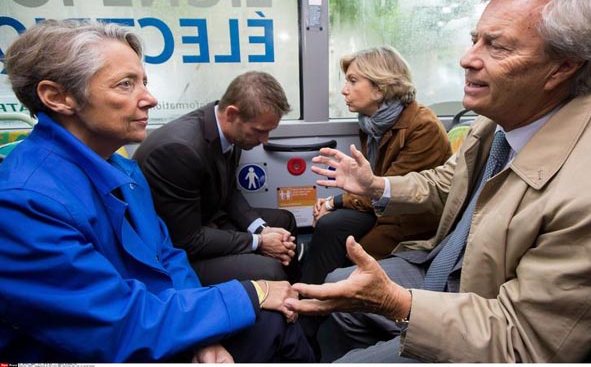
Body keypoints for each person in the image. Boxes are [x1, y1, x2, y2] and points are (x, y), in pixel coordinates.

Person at [284, 0, 591, 362]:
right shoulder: (494, 124)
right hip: (446, 265)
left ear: (563, 67)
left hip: (490, 311)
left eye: (497, 46)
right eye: (475, 40)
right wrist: (375, 187)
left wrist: (396, 303)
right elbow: (447, 184)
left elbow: (523, 344)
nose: (466, 59)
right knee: (340, 286)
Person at [0, 19, 314, 363]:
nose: (149, 99)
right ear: (57, 97)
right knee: (270, 317)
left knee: (273, 322)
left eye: (144, 82)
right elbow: (115, 324)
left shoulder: (123, 170)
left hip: (156, 319)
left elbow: (167, 256)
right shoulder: (22, 204)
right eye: (125, 84)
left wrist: (203, 333)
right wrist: (249, 294)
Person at [302, 46, 451, 286]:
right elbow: (371, 184)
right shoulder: (371, 122)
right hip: (382, 209)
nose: (344, 90)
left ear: (380, 88)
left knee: (351, 252)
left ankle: (324, 295)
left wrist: (333, 202)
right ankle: (310, 294)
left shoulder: (423, 127)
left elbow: (388, 189)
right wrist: (334, 204)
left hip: (409, 220)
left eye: (352, 81)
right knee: (330, 226)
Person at [133, 71, 300, 285]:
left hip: (206, 219)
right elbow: (187, 240)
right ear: (231, 114)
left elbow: (228, 191)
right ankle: (283, 291)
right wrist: (259, 242)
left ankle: (298, 292)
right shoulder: (178, 150)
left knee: (284, 222)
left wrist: (262, 229)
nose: (265, 140)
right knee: (270, 270)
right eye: (259, 131)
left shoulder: (231, 132)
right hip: (174, 251)